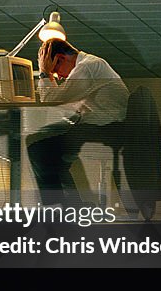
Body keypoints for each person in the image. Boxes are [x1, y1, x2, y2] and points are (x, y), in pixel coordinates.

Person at [26, 38, 129, 207]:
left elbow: (51, 100)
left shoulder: (86, 67)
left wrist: (45, 73)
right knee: (52, 154)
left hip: (108, 131)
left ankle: (58, 207)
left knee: (38, 150)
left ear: (61, 58)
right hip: (107, 128)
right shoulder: (91, 65)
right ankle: (70, 205)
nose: (59, 77)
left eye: (56, 70)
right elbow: (65, 107)